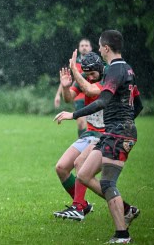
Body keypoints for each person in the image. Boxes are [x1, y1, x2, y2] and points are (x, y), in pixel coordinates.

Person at [54, 30, 143, 243]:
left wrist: (73, 114)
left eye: (100, 47)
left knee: (107, 183)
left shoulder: (113, 70)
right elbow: (138, 105)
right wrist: (126, 122)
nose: (100, 50)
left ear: (105, 48)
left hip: (117, 134)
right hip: (114, 132)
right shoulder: (127, 69)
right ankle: (126, 210)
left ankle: (122, 235)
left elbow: (102, 100)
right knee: (83, 173)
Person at [53, 51, 105, 219]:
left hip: (106, 134)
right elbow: (69, 99)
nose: (89, 77)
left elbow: (91, 92)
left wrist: (76, 73)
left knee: (80, 163)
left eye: (92, 74)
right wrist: (66, 86)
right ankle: (82, 205)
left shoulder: (108, 77)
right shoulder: (85, 77)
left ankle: (78, 208)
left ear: (100, 69)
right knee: (61, 167)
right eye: (87, 73)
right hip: (90, 133)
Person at [54, 38, 92, 137]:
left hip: (92, 94)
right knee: (81, 123)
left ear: (91, 48)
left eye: (86, 45)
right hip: (78, 96)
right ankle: (82, 145)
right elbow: (65, 79)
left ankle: (92, 145)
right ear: (79, 48)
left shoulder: (95, 62)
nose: (84, 48)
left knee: (92, 124)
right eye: (82, 46)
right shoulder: (74, 62)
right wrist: (58, 95)